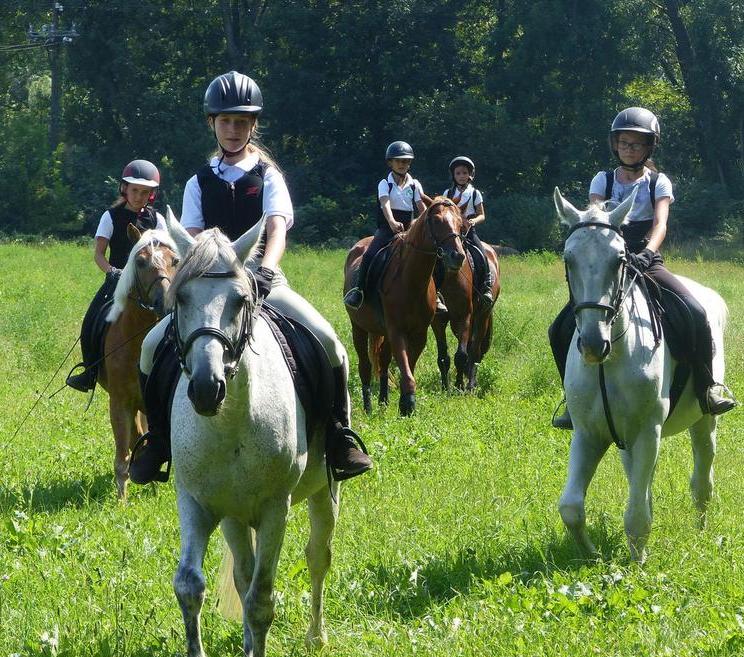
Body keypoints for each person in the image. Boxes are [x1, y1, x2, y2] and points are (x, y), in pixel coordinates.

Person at [130, 71, 372, 484]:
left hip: (263, 282)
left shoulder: (268, 176)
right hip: (211, 290)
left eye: (241, 121)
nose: (232, 128)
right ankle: (158, 440)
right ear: (213, 123)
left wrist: (267, 269)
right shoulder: (197, 182)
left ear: (252, 125)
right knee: (151, 349)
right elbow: (190, 239)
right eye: (225, 120)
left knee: (331, 343)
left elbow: (276, 229)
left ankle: (337, 437)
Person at [549, 107, 736, 429]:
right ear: (615, 145)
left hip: (646, 258)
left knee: (693, 311)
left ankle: (707, 388)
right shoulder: (603, 179)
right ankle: (571, 399)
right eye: (624, 143)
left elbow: (661, 223)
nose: (629, 149)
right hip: (609, 261)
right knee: (559, 328)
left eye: (636, 144)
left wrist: (648, 253)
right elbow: (594, 218)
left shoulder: (658, 182)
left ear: (648, 147)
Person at [66, 159, 166, 393]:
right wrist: (112, 271)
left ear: (151, 194)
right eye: (134, 191)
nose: (139, 196)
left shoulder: (157, 220)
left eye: (144, 192)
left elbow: (165, 253)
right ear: (124, 189)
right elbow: (99, 254)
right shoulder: (110, 217)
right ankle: (90, 371)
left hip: (148, 283)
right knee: (91, 319)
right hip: (118, 281)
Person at [342, 141, 429, 310]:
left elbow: (421, 206)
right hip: (387, 229)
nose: (402, 164)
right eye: (398, 161)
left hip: (410, 230)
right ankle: (358, 290)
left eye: (405, 161)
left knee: (431, 257)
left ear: (409, 163)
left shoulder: (415, 184)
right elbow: (385, 204)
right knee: (369, 255)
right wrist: (392, 222)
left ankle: (436, 294)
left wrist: (421, 222)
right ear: (390, 162)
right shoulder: (385, 183)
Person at [443, 155, 494, 306]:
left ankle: (487, 286)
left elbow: (482, 215)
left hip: (469, 232)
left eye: (464, 173)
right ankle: (437, 289)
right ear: (453, 175)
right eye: (458, 173)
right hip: (452, 232)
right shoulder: (447, 193)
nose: (461, 176)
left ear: (470, 175)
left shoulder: (474, 193)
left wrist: (472, 221)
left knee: (481, 254)